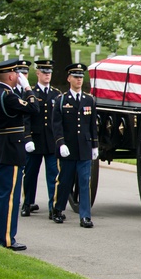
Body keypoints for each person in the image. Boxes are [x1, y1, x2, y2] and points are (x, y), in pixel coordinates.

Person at [0, 58, 40, 250]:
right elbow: (34, 108)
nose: (19, 77)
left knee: (1, 196)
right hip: (11, 151)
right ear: (10, 76)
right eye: (17, 74)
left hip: (0, 148)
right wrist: (28, 89)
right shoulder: (8, 96)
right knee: (10, 198)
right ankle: (7, 239)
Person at [51, 63, 98, 228]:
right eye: (76, 77)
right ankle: (58, 209)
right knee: (65, 181)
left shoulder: (88, 100)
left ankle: (85, 216)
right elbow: (56, 125)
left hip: (84, 147)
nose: (79, 80)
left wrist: (94, 146)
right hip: (68, 148)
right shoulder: (61, 100)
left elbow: (92, 125)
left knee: (85, 181)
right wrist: (60, 143)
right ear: (69, 78)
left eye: (81, 77)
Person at [21, 59, 60, 216]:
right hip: (35, 140)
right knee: (30, 174)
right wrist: (27, 138)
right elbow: (26, 119)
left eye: (49, 72)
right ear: (37, 73)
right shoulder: (30, 93)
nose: (47, 75)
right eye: (44, 72)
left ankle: (53, 206)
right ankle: (28, 203)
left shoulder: (56, 94)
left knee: (53, 175)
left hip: (51, 141)